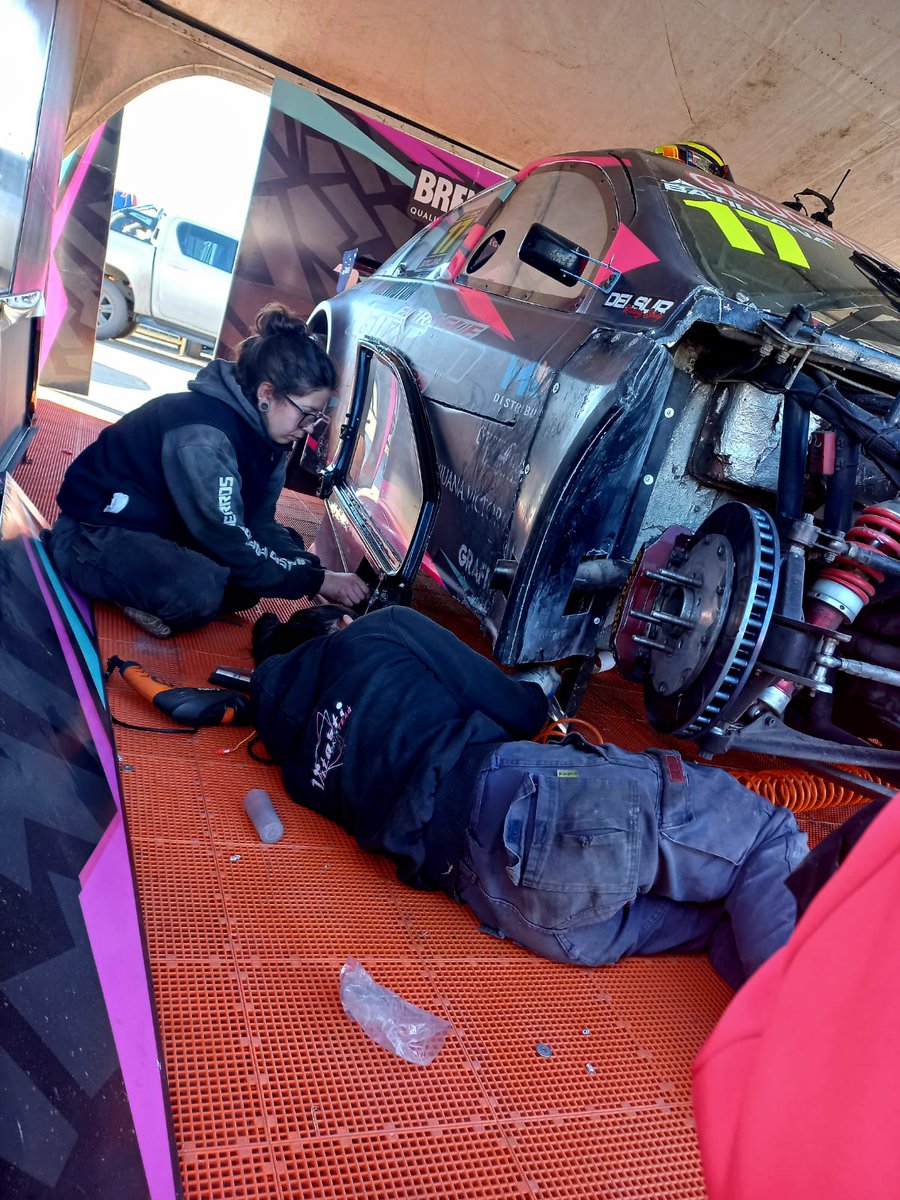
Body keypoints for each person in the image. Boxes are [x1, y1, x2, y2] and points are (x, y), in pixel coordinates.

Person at [250, 604, 808, 988]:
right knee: (766, 838)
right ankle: (831, 1035)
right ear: (341, 624)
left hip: (521, 913)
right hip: (542, 810)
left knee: (719, 918)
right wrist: (542, 689)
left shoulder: (292, 760)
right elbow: (520, 711)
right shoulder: (378, 629)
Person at [46, 304, 369, 636]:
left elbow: (259, 522)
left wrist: (313, 572)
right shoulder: (204, 437)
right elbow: (227, 535)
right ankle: (124, 586)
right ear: (267, 393)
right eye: (307, 413)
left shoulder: (270, 436)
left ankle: (154, 584)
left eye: (317, 418)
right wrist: (315, 579)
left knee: (270, 562)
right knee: (200, 589)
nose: (310, 428)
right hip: (92, 535)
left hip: (160, 526)